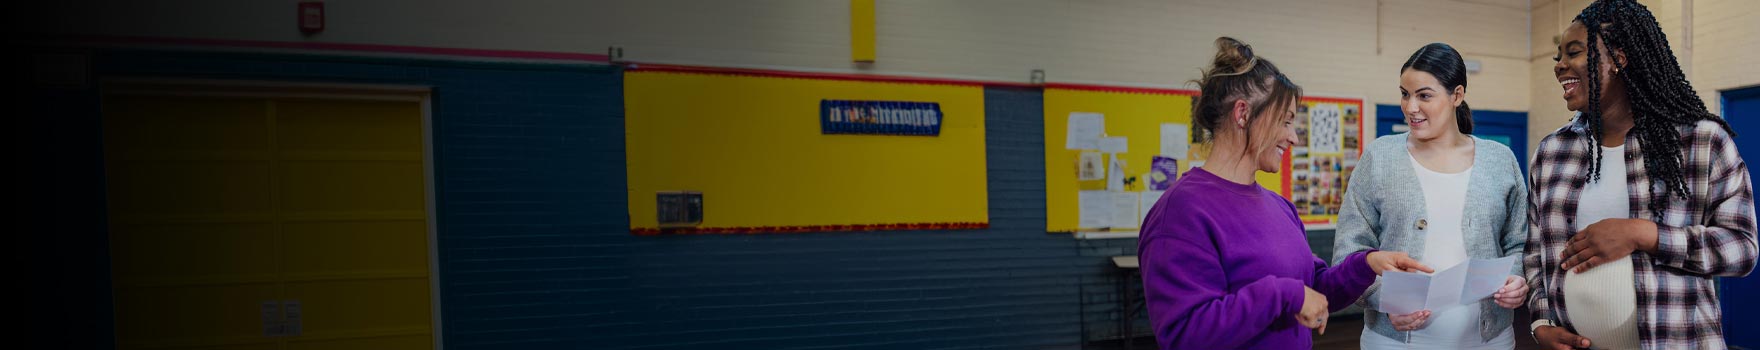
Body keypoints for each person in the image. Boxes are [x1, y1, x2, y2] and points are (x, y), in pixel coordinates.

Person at [1138, 37, 1431, 349]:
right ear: (1243, 114)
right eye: (1286, 121)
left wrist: (1367, 263)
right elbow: (1185, 334)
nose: (1293, 137)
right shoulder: (1181, 211)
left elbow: (1316, 290)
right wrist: (1283, 294)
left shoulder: (1279, 208)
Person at [1526, 0, 1758, 349]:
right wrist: (1541, 322)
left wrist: (1644, 234)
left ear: (1619, 59)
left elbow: (1742, 249)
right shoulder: (1553, 151)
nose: (1559, 66)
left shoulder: (1700, 141)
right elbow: (1535, 254)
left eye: (1573, 52)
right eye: (1558, 55)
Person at [1332, 42, 1529, 350]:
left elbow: (1519, 242)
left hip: (1489, 342)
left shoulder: (1499, 160)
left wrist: (1517, 278)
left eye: (1424, 95)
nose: (1411, 107)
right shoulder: (1379, 157)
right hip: (1393, 342)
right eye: (1404, 93)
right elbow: (1349, 251)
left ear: (1457, 95)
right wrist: (1383, 299)